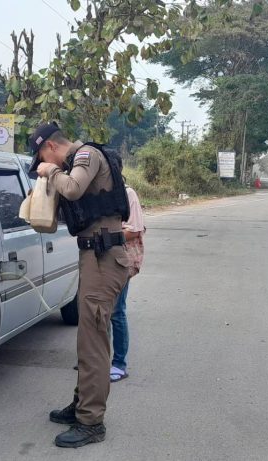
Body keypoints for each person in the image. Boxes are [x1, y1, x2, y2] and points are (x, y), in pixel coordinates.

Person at [30, 123, 130, 448]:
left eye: (41, 157)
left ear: (50, 147)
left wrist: (50, 172)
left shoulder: (86, 155)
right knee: (87, 340)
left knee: (94, 343)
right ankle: (81, 404)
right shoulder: (75, 163)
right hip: (95, 257)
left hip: (104, 258)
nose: (43, 164)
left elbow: (72, 189)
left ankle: (91, 422)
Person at [110, 157, 145, 383]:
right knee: (97, 312)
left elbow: (135, 230)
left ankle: (119, 363)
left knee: (116, 311)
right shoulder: (96, 193)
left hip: (121, 260)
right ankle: (97, 358)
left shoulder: (127, 194)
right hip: (99, 259)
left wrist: (107, 237)